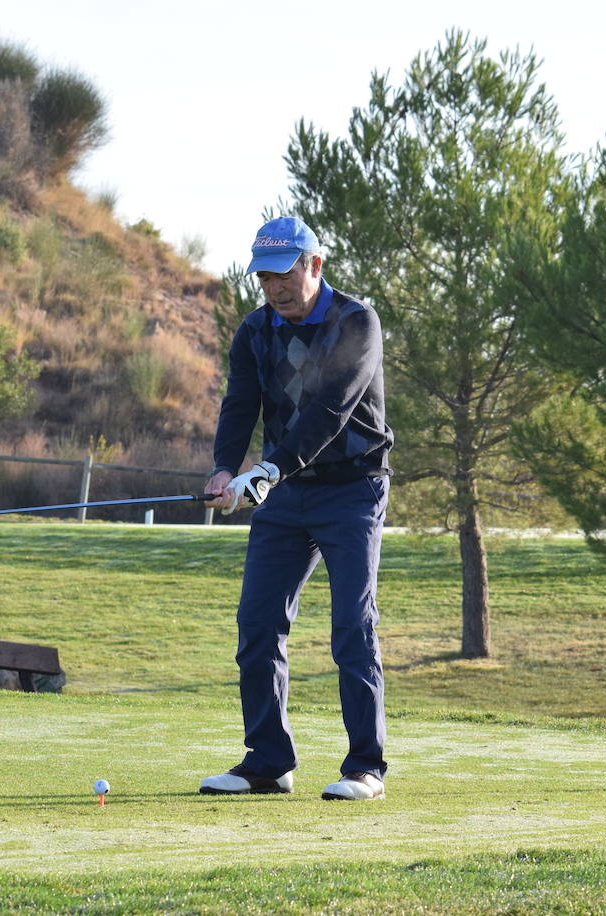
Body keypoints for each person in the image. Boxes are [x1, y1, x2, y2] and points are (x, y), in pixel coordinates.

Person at [200, 216, 394, 801]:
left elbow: (330, 412)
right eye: (264, 277)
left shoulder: (356, 322)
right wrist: (224, 468)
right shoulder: (254, 331)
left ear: (314, 265)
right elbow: (239, 405)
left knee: (351, 628)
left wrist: (270, 469)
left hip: (352, 489)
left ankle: (366, 767)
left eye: (284, 275)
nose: (274, 289)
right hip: (283, 493)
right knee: (257, 625)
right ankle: (268, 761)